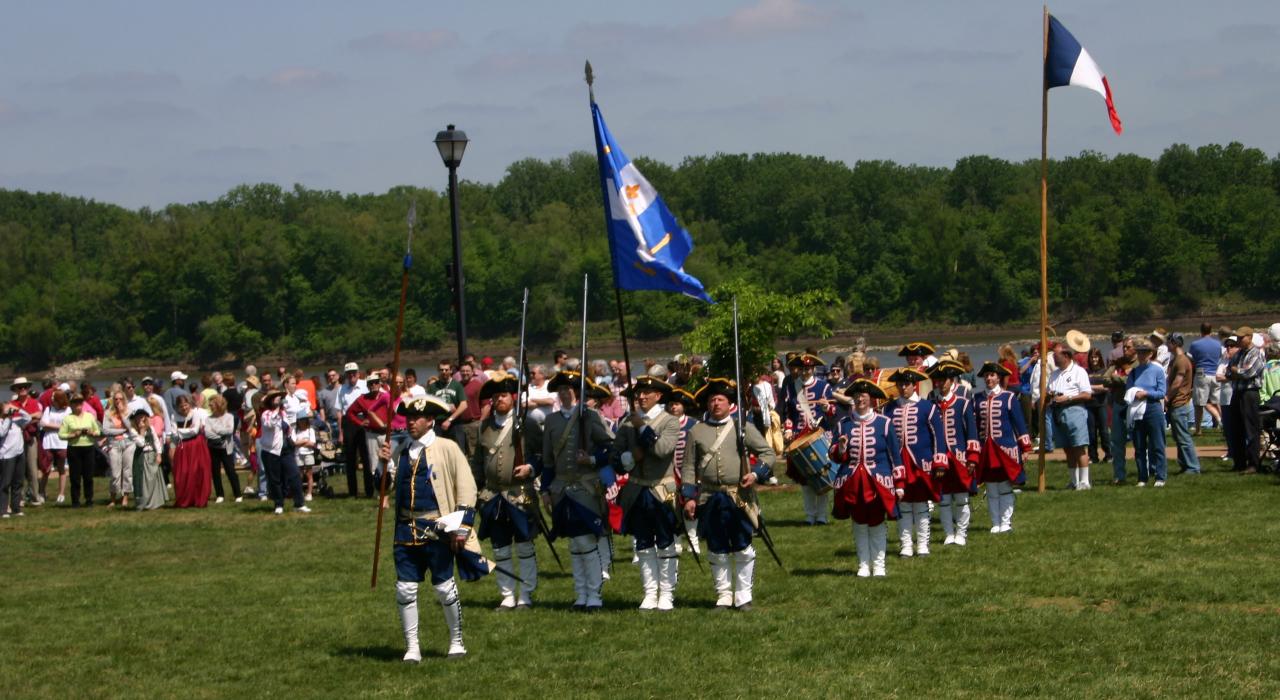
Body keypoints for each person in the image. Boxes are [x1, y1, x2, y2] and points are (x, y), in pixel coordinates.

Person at [377, 396, 489, 662]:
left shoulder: (447, 448)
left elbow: (467, 487)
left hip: (438, 529)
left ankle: (456, 642)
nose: (411, 422)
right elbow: (384, 488)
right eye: (408, 418)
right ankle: (412, 648)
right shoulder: (401, 449)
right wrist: (384, 465)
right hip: (405, 529)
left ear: (430, 421)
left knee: (444, 587)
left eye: (417, 418)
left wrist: (462, 528)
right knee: (405, 589)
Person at [681, 377, 775, 606]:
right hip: (709, 497)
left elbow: (768, 453)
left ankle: (743, 596)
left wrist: (755, 474)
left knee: (742, 546)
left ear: (729, 402)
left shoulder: (742, 427)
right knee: (716, 548)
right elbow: (689, 467)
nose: (715, 404)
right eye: (712, 400)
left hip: (738, 496)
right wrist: (689, 497)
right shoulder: (697, 431)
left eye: (720, 399)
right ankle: (723, 595)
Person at [540, 370, 615, 612]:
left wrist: (591, 459)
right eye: (561, 389)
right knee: (574, 544)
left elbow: (610, 448)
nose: (565, 393)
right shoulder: (551, 421)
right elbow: (548, 460)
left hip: (586, 487)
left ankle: (594, 594)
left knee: (586, 541)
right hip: (561, 489)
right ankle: (581, 594)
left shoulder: (590, 416)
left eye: (569, 389)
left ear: (577, 392)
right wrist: (545, 490)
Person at [611, 374, 682, 611]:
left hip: (661, 489)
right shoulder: (627, 423)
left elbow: (662, 450)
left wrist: (641, 427)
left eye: (646, 393)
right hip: (636, 489)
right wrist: (627, 458)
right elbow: (615, 457)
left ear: (658, 396)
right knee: (642, 544)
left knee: (665, 541)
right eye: (639, 393)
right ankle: (650, 592)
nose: (641, 397)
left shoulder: (670, 421)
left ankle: (667, 593)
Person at [473, 372, 543, 610]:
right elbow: (478, 462)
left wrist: (530, 468)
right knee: (500, 548)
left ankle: (526, 594)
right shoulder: (484, 426)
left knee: (524, 545)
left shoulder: (527, 424)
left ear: (512, 397)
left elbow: (542, 456)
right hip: (492, 496)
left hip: (519, 494)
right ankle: (507, 595)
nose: (499, 400)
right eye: (495, 396)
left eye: (503, 395)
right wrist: (475, 492)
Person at [828, 379, 900, 577]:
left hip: (878, 481)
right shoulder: (843, 424)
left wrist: (899, 484)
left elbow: (895, 455)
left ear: (871, 399)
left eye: (864, 396)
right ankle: (863, 564)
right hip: (852, 481)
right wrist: (841, 447)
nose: (860, 399)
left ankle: (879, 565)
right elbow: (833, 454)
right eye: (857, 395)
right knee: (859, 522)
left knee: (876, 521)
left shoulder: (884, 423)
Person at [883, 367, 945, 557]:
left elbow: (938, 436)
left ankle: (923, 545)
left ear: (914, 385)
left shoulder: (928, 407)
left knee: (920, 504)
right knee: (903, 504)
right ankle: (906, 545)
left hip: (920, 463)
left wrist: (939, 462)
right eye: (900, 384)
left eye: (906, 384)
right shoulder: (889, 408)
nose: (903, 388)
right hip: (898, 463)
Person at [973, 362, 1033, 532]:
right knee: (991, 487)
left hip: (1005, 449)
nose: (989, 378)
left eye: (992, 375)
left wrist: (1025, 447)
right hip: (986, 450)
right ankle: (995, 522)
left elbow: (1019, 423)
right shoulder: (977, 399)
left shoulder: (1008, 397)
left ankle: (1006, 522)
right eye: (986, 376)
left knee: (1005, 486)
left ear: (998, 377)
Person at [927, 361, 980, 547]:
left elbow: (971, 432)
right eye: (938, 380)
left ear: (951, 381)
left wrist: (972, 457)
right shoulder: (931, 405)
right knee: (943, 498)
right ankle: (949, 533)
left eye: (944, 380)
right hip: (938, 458)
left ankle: (961, 533)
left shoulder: (963, 403)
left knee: (961, 498)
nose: (941, 384)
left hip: (959, 457)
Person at [778, 352, 835, 525]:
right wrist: (788, 429)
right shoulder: (791, 387)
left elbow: (833, 412)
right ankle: (810, 515)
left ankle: (822, 515)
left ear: (813, 369)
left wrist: (826, 408)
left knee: (823, 476)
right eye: (802, 368)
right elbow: (788, 413)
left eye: (808, 368)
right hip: (799, 438)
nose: (805, 372)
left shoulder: (824, 387)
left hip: (819, 435)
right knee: (805, 479)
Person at [1034, 342, 1094, 489]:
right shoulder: (1054, 374)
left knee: (1079, 446)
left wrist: (1068, 398)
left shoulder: (1079, 372)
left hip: (1074, 410)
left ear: (1066, 356)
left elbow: (1087, 394)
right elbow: (1050, 392)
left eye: (1056, 356)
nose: (1053, 359)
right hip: (1057, 412)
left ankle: (1084, 481)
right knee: (1067, 448)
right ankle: (1074, 481)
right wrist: (1049, 396)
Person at [258, 390, 309, 515]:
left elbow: (288, 429)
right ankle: (278, 504)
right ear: (271, 401)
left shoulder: (283, 413)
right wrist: (276, 410)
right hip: (271, 451)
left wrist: (293, 441)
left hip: (286, 450)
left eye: (280, 397)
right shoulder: (266, 414)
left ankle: (299, 504)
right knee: (275, 479)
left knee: (295, 475)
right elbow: (270, 424)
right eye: (276, 397)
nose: (279, 399)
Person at [1126, 339, 1168, 487]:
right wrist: (1134, 393)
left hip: (1153, 408)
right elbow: (1128, 389)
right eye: (1139, 352)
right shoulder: (1134, 372)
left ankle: (1160, 476)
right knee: (1139, 446)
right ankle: (1142, 477)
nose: (1141, 355)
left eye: (1144, 352)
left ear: (1151, 354)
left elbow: (1161, 392)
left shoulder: (1157, 370)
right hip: (1137, 409)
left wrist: (1146, 393)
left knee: (1158, 444)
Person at [1226, 326, 1265, 474]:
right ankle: (1239, 463)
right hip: (1237, 392)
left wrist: (1237, 371)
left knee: (1251, 429)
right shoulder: (1239, 354)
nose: (1239, 340)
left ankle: (1253, 464)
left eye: (1241, 338)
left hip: (1250, 394)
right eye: (1238, 337)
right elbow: (1228, 371)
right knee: (1236, 429)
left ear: (1250, 337)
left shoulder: (1256, 353)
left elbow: (1248, 372)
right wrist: (1236, 372)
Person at [1165, 333, 1201, 476]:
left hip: (1179, 402)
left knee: (1183, 437)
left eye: (1168, 342)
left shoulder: (1181, 360)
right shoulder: (1176, 359)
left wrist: (1167, 397)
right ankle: (1185, 464)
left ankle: (1193, 467)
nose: (1166, 345)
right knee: (1178, 436)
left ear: (1174, 343)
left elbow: (1177, 382)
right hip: (1175, 403)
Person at [348, 374, 390, 494]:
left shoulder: (386, 396)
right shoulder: (362, 399)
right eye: (371, 383)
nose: (374, 385)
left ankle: (390, 488)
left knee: (390, 461)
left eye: (376, 382)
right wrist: (360, 422)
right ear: (367, 386)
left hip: (387, 433)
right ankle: (378, 491)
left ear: (380, 383)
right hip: (371, 434)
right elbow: (350, 413)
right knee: (374, 463)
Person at [59, 394, 102, 508]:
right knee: (75, 476)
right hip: (74, 448)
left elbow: (98, 431)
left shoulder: (89, 416)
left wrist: (91, 433)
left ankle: (89, 500)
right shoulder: (68, 418)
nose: (78, 405)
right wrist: (73, 434)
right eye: (75, 403)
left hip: (88, 447)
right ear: (71, 405)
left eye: (80, 402)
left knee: (88, 476)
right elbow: (61, 434)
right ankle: (75, 501)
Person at [171, 394, 213, 508]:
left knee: (197, 471)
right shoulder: (174, 416)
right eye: (181, 406)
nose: (184, 408)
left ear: (189, 404)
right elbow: (173, 435)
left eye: (186, 405)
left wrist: (180, 431)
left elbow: (194, 431)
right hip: (182, 447)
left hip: (196, 445)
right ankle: (185, 498)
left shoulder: (195, 414)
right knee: (183, 473)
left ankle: (198, 498)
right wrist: (185, 431)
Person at [1103, 341, 1136, 484]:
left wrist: (1116, 377)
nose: (1125, 349)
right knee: (1117, 442)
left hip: (1134, 406)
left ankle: (1145, 473)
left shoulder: (1138, 364)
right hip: (1118, 404)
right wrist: (1119, 378)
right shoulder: (1118, 362)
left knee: (1139, 441)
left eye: (1128, 347)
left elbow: (1130, 381)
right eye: (1124, 347)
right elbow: (1105, 379)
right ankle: (1119, 475)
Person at [7, 378, 43, 507]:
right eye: (20, 387)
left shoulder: (33, 402)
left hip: (30, 438)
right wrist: (30, 417)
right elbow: (12, 419)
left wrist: (24, 418)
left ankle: (35, 496)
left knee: (32, 468)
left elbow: (39, 416)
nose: (23, 389)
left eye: (25, 387)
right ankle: (19, 497)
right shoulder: (12, 403)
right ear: (15, 390)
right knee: (18, 470)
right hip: (15, 440)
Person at [336, 362, 369, 497]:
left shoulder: (365, 385)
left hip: (363, 419)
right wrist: (340, 432)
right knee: (350, 457)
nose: (351, 375)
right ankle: (352, 491)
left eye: (354, 373)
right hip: (348, 422)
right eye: (349, 373)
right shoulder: (342, 389)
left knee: (366, 457)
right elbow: (339, 412)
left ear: (358, 373)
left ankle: (369, 490)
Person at [205, 394, 242, 504]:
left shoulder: (229, 417)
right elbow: (207, 433)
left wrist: (216, 429)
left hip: (226, 448)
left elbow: (230, 431)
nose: (210, 407)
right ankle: (220, 494)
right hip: (213, 448)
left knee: (230, 471)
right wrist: (220, 434)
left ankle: (238, 494)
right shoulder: (208, 419)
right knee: (215, 471)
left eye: (212, 405)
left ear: (219, 405)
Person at [100, 390, 134, 507]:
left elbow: (130, 427)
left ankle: (125, 497)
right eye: (116, 399)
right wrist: (122, 431)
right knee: (115, 472)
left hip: (128, 443)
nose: (118, 401)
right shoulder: (108, 413)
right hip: (114, 444)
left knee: (127, 471)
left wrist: (122, 414)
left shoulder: (130, 411)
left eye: (120, 399)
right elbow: (105, 430)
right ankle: (113, 497)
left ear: (124, 400)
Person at [128, 409, 167, 510]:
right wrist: (141, 431)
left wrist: (159, 454)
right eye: (138, 417)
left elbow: (156, 441)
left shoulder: (151, 428)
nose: (140, 419)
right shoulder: (133, 430)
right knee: (143, 480)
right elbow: (140, 444)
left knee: (154, 478)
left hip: (152, 454)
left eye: (142, 416)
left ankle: (155, 502)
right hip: (142, 456)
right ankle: (144, 502)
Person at [1, 401, 33, 517]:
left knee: (18, 482)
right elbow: (2, 432)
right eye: (6, 408)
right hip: (6, 456)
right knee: (5, 484)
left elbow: (28, 418)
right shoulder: (2, 421)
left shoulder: (16, 421)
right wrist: (8, 417)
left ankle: (16, 508)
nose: (9, 410)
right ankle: (3, 510)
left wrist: (18, 410)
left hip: (19, 454)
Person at [40, 389, 71, 504]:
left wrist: (50, 425)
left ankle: (61, 494)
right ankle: (41, 492)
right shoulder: (48, 409)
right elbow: (43, 425)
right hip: (48, 442)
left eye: (54, 397)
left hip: (61, 442)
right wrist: (59, 426)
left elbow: (67, 426)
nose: (51, 399)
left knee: (61, 469)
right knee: (46, 469)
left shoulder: (68, 410)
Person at [1084, 348, 1111, 464]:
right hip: (1089, 405)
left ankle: (1109, 454)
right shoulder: (1086, 372)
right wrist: (1096, 388)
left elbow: (1106, 387)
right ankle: (1093, 456)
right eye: (1092, 357)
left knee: (1104, 431)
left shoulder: (1105, 371)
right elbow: (1082, 387)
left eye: (1096, 357)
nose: (1094, 359)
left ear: (1099, 358)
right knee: (1091, 432)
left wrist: (1091, 387)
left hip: (1101, 404)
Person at [293, 410, 318, 501]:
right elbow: (294, 443)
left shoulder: (311, 430)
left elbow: (312, 443)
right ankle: (299, 493)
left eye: (304, 419)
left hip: (308, 454)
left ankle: (309, 493)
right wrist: (305, 441)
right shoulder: (295, 430)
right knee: (299, 475)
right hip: (298, 454)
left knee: (309, 474)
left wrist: (300, 442)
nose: (302, 421)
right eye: (300, 420)